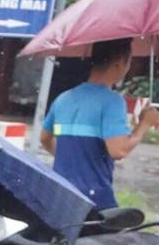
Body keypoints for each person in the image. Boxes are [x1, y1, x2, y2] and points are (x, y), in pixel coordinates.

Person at [41, 37, 159, 209]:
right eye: (129, 61)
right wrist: (144, 125)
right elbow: (118, 150)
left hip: (60, 196)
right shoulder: (112, 101)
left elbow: (44, 138)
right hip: (94, 199)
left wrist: (72, 159)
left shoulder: (63, 98)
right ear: (120, 62)